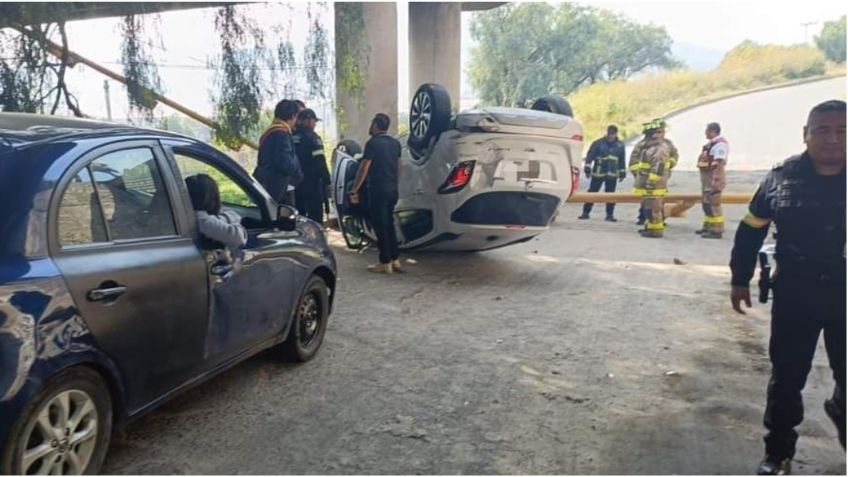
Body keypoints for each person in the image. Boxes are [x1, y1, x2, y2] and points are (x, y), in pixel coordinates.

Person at [729, 100, 845, 475]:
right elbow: (751, 228)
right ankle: (778, 452)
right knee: (787, 376)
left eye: (842, 131)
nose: (832, 139)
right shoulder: (782, 177)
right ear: (806, 135)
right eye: (822, 130)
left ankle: (840, 409)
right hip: (797, 291)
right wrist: (739, 277)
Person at [349, 113, 402, 274]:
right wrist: (394, 183)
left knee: (380, 226)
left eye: (372, 124)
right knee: (389, 224)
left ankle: (384, 262)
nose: (370, 127)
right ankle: (395, 259)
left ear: (376, 125)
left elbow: (364, 167)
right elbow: (400, 166)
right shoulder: (395, 143)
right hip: (393, 190)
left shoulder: (372, 143)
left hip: (378, 190)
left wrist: (355, 189)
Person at [253, 99, 303, 206]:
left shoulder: (270, 131)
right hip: (278, 187)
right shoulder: (281, 133)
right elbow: (285, 162)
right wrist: (297, 172)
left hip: (267, 184)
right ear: (293, 116)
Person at [633, 119, 676, 238]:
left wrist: (651, 182)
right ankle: (650, 228)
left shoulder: (659, 149)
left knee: (655, 209)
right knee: (648, 208)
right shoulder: (649, 147)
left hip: (654, 185)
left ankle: (656, 231)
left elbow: (658, 168)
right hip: (648, 183)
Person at [185, 174, 248, 250]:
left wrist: (219, 219)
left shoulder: (184, 214)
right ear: (212, 197)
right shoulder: (202, 220)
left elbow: (232, 214)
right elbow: (239, 238)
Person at [578, 125, 627, 222]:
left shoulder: (620, 145)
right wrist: (587, 169)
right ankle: (585, 213)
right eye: (610, 134)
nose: (611, 136)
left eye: (613, 134)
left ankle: (609, 215)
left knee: (611, 195)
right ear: (607, 133)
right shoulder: (598, 143)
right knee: (592, 193)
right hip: (598, 173)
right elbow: (590, 157)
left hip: (612, 175)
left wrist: (622, 173)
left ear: (616, 134)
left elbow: (622, 160)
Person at [293, 108, 331, 223]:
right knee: (315, 219)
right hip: (312, 184)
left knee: (299, 217)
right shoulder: (313, 138)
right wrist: (327, 180)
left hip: (296, 185)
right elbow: (319, 161)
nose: (314, 124)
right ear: (308, 121)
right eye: (314, 121)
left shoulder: (291, 137)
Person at [696, 122, 729, 239]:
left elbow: (719, 163)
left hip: (713, 178)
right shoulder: (711, 144)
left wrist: (716, 180)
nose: (705, 133)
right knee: (707, 202)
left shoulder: (720, 145)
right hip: (707, 178)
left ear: (713, 131)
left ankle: (717, 230)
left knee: (714, 204)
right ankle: (709, 226)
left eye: (707, 130)